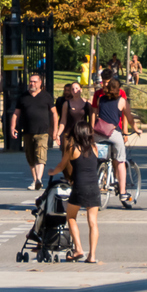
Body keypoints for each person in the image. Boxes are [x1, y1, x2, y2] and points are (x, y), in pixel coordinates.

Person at [62, 95, 103, 263]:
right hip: (94, 187)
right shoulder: (94, 148)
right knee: (92, 222)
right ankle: (92, 255)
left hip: (79, 187)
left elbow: (63, 165)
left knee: (71, 216)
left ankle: (78, 248)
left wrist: (51, 172)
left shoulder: (73, 147)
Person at [93, 69, 136, 207]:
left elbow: (97, 113)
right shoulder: (122, 100)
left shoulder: (100, 99)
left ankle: (99, 175)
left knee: (97, 158)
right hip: (113, 134)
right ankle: (123, 192)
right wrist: (136, 129)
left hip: (98, 134)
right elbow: (129, 118)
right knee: (121, 162)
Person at [11, 70, 55, 189]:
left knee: (40, 156)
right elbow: (16, 114)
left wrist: (54, 129)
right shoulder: (23, 97)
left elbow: (54, 113)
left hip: (42, 132)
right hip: (27, 131)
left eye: (34, 82)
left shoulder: (46, 96)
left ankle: (39, 179)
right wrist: (12, 127)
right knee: (31, 157)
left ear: (40, 83)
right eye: (30, 82)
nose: (32, 84)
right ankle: (35, 180)